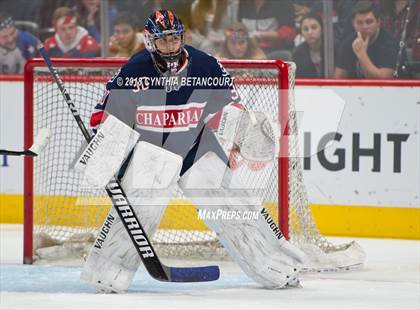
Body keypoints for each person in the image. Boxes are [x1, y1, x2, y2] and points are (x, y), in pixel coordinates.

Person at [78, 9, 304, 293]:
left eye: (175, 39)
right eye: (163, 40)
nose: (170, 46)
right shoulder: (134, 71)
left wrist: (246, 131)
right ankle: (107, 272)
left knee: (233, 205)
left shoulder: (205, 66)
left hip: (197, 148)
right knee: (139, 208)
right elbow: (103, 115)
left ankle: (278, 265)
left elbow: (229, 107)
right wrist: (105, 146)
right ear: (150, 41)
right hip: (152, 152)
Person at [334, 0, 401, 79]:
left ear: (378, 22)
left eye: (369, 22)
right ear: (353, 24)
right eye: (359, 23)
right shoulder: (348, 44)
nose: (364, 27)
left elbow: (383, 82)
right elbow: (338, 79)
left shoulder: (390, 44)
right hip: (356, 90)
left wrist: (362, 54)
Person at [292, 13, 324, 78]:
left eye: (314, 28)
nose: (310, 32)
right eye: (305, 29)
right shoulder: (298, 53)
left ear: (322, 29)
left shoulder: (333, 48)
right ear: (301, 33)